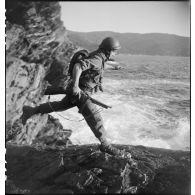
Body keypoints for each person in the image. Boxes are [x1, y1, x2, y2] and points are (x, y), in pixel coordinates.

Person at [22, 37, 131, 158]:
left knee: (60, 105)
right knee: (94, 117)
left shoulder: (99, 57)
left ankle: (32, 110)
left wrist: (114, 67)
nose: (116, 53)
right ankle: (105, 145)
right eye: (115, 51)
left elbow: (98, 67)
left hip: (81, 89)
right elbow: (78, 66)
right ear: (109, 50)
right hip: (81, 92)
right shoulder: (98, 59)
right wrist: (75, 86)